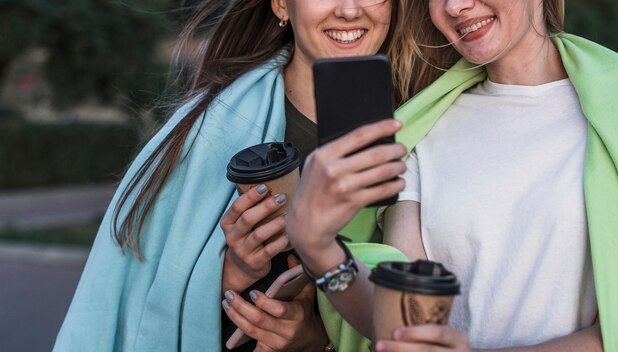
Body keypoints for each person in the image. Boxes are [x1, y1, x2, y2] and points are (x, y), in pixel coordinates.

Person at [53, 1, 443, 351]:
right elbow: (143, 288)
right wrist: (232, 274)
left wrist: (317, 337)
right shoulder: (210, 128)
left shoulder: (424, 124)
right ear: (281, 6)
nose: (349, 9)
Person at [284, 0, 618, 351]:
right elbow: (404, 312)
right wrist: (320, 250)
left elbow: (616, 330)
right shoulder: (421, 127)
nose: (455, 6)